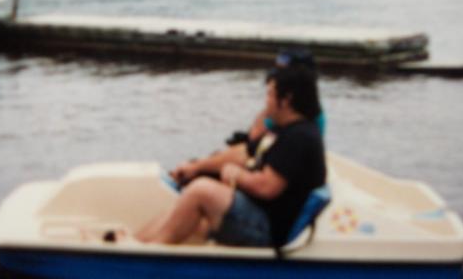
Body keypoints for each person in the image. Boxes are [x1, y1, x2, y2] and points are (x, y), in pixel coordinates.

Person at [136, 64, 326, 247]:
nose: (265, 101)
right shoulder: (282, 131)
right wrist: (197, 167)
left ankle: (151, 254)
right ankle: (133, 244)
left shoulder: (300, 138)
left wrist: (236, 175)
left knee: (200, 191)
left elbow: (267, 187)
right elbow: (242, 153)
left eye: (269, 94)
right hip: (257, 216)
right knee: (183, 208)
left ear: (286, 99)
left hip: (267, 230)